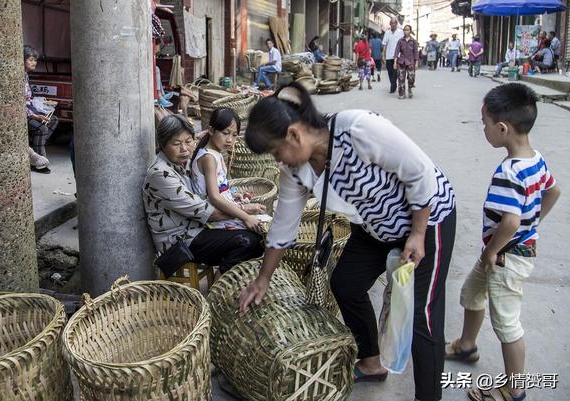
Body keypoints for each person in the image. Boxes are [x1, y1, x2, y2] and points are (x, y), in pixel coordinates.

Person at [239, 82, 457, 401]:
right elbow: (283, 228)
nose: (277, 161)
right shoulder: (296, 170)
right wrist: (263, 279)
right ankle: (371, 362)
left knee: (423, 318)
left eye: (275, 152)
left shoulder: (358, 128)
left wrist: (418, 234)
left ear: (294, 135)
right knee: (345, 284)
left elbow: (419, 172)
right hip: (374, 226)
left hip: (427, 218)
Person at [445, 83, 561, 401]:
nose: (482, 128)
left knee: (507, 323)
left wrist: (494, 250)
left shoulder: (509, 173)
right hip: (504, 252)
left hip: (505, 257)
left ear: (501, 128)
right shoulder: (535, 159)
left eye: (483, 122)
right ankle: (467, 346)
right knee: (472, 292)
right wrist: (532, 223)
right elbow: (553, 191)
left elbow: (509, 221)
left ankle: (514, 388)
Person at [143, 114, 264, 275]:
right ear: (163, 145)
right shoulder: (160, 174)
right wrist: (245, 211)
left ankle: (228, 278)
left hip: (197, 229)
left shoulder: (181, 163)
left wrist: (234, 202)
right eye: (176, 143)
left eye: (188, 141)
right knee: (248, 241)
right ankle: (221, 286)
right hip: (179, 241)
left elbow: (202, 196)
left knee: (254, 236)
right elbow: (207, 213)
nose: (184, 149)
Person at [190, 107, 267, 232]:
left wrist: (233, 195)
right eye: (225, 133)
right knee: (264, 228)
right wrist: (246, 216)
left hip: (224, 210)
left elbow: (217, 189)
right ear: (211, 130)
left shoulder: (216, 154)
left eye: (234, 135)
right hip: (216, 219)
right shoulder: (208, 158)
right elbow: (214, 197)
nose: (230, 140)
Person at [24, 45, 58, 173]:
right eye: (31, 59)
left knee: (53, 120)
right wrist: (36, 116)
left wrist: (42, 103)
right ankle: (37, 162)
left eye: (35, 60)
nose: (34, 63)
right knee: (42, 127)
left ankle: (36, 149)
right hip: (23, 113)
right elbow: (19, 103)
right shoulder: (18, 78)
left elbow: (27, 98)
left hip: (29, 108)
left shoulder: (26, 75)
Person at [394, 25, 419, 99]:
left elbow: (416, 52)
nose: (406, 31)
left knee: (411, 77)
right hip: (401, 61)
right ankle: (402, 94)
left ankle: (410, 88)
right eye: (405, 30)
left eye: (408, 30)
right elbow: (396, 52)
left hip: (411, 62)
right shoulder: (400, 41)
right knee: (401, 78)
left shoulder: (413, 41)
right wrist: (395, 62)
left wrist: (416, 63)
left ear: (410, 31)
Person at [382, 19, 404, 94]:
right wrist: (383, 56)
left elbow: (403, 44)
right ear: (390, 24)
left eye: (395, 23)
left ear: (396, 24)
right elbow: (384, 45)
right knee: (390, 72)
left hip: (398, 56)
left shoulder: (401, 32)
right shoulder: (387, 33)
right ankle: (393, 84)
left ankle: (393, 86)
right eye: (392, 23)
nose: (393, 24)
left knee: (395, 72)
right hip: (388, 56)